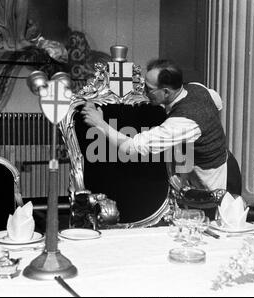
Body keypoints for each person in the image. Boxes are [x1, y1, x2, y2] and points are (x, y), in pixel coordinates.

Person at [81, 59, 241, 212]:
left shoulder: (182, 122)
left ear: (166, 92)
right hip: (222, 163)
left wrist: (99, 123)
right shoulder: (197, 88)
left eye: (149, 89)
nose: (143, 91)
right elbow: (218, 102)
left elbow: (131, 148)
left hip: (215, 181)